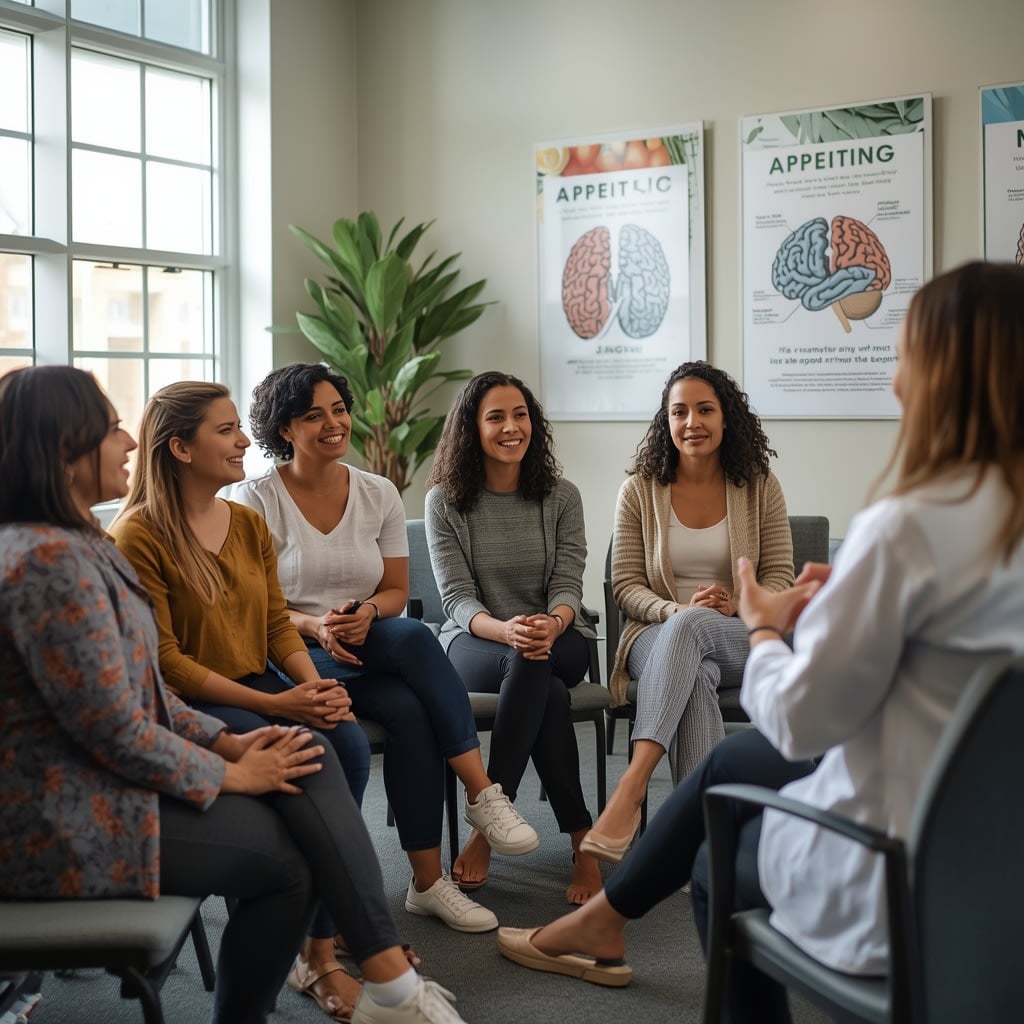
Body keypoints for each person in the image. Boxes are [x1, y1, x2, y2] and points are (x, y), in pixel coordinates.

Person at [494, 261, 1024, 1022]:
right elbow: (625, 588)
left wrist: (771, 626)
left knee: (717, 854)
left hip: (905, 862)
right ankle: (604, 918)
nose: (897, 380)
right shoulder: (643, 487)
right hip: (999, 852)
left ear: (946, 374)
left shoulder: (907, 526)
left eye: (905, 356)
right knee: (723, 735)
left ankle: (624, 835)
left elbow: (802, 721)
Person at [0, 365, 468, 1024]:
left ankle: (380, 974)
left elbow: (140, 701)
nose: (128, 443)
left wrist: (233, 740)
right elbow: (118, 723)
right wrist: (230, 767)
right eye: (108, 430)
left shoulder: (78, 545)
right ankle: (384, 977)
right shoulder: (53, 560)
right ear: (60, 447)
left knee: (302, 773)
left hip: (100, 783)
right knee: (289, 854)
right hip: (58, 819)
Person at [231, 362, 538, 936]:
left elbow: (395, 592)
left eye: (338, 410)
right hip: (290, 650)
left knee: (411, 660)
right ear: (284, 429)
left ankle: (432, 875)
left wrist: (366, 612)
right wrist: (317, 625)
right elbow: (254, 611)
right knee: (409, 686)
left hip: (368, 639)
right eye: (312, 415)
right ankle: (475, 803)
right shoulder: (252, 500)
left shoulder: (376, 493)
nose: (332, 423)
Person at [108, 381, 377, 1021]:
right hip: (187, 699)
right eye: (227, 431)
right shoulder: (137, 534)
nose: (246, 441)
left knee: (349, 746)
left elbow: (276, 622)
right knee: (304, 756)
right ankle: (338, 947)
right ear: (179, 447)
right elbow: (166, 662)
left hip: (258, 683)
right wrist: (284, 709)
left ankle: (315, 946)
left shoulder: (249, 522)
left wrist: (301, 682)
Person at [580, 362, 793, 864]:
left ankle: (631, 788)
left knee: (696, 632)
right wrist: (677, 608)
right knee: (694, 665)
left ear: (726, 419)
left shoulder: (760, 484)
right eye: (679, 412)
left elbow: (781, 578)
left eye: (704, 410)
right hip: (656, 632)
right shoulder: (638, 489)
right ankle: (706, 843)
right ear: (666, 421)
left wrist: (737, 603)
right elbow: (626, 586)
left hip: (741, 633)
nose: (691, 422)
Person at [424, 370, 602, 904]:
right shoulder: (445, 501)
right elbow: (455, 597)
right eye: (496, 417)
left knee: (537, 667)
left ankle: (485, 827)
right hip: (476, 639)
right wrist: (507, 629)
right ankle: (582, 841)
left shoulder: (561, 496)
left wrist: (552, 622)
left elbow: (569, 582)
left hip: (558, 634)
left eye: (520, 415)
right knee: (538, 681)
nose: (511, 427)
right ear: (471, 429)